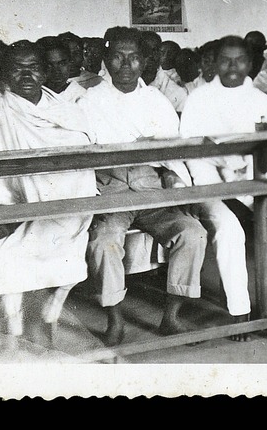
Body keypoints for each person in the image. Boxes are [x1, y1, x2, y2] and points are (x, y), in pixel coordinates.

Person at [78, 27, 248, 345]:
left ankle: (171, 317)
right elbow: (86, 153)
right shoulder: (89, 101)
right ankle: (114, 319)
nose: (126, 64)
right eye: (117, 56)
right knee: (104, 242)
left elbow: (171, 153)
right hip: (111, 188)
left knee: (192, 232)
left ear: (144, 62)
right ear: (106, 60)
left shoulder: (156, 100)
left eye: (133, 58)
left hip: (151, 185)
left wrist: (176, 182)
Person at [0, 40, 97, 341]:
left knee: (63, 252)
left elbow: (84, 163)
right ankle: (21, 332)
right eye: (17, 69)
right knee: (14, 257)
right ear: (5, 73)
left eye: (33, 68)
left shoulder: (67, 111)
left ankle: (43, 321)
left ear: (44, 72)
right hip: (13, 208)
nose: (26, 76)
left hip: (68, 210)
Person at [179, 35, 267, 321]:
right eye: (225, 59)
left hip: (254, 177)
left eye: (239, 60)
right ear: (215, 62)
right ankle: (240, 310)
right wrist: (222, 168)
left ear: (250, 63)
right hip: (210, 179)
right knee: (230, 230)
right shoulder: (199, 99)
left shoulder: (261, 100)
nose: (232, 66)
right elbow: (191, 152)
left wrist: (265, 188)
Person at [140, 30, 189, 112]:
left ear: (160, 54)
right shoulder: (122, 84)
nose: (151, 55)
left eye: (155, 50)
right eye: (145, 50)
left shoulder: (178, 93)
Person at [36, 36, 87, 101]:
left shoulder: (82, 96)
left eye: (62, 64)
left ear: (69, 63)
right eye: (49, 65)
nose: (57, 71)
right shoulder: (34, 96)